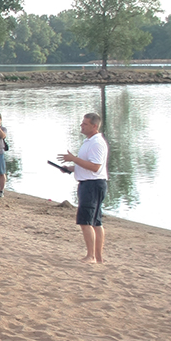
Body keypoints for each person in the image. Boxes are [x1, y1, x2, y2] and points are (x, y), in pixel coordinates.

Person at [59, 111, 109, 264]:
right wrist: (72, 168)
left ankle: (92, 256)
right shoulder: (89, 141)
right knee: (94, 221)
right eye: (82, 123)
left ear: (94, 126)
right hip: (90, 182)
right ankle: (97, 256)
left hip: (92, 184)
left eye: (85, 123)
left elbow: (95, 167)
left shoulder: (97, 143)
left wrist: (74, 159)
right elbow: (87, 165)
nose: (81, 125)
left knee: (86, 221)